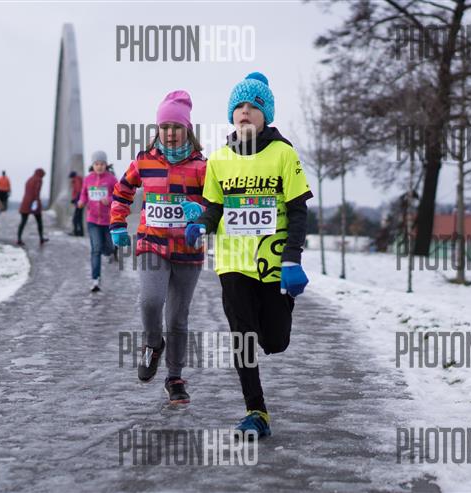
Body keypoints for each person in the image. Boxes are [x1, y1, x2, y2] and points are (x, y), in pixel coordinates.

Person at [184, 72, 312, 438]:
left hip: (272, 262)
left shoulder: (283, 154)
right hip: (232, 263)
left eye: (253, 106)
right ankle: (256, 411)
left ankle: (281, 309)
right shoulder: (219, 159)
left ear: (265, 115)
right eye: (239, 106)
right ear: (231, 115)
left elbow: (298, 211)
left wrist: (292, 259)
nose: (245, 111)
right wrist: (201, 226)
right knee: (241, 335)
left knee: (274, 341)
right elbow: (214, 207)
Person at [110, 90, 207, 405]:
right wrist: (117, 224)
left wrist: (200, 211)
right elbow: (122, 190)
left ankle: (174, 377)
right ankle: (153, 344)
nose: (170, 132)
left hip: (188, 250)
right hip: (152, 244)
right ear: (158, 129)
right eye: (165, 126)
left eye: (177, 127)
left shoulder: (202, 166)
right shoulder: (144, 161)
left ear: (187, 129)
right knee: (151, 301)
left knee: (177, 317)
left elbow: (215, 202)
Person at [77, 151, 118, 292]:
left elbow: (120, 194)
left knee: (109, 248)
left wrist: (110, 199)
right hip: (92, 220)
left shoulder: (111, 179)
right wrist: (81, 201)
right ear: (93, 165)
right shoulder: (88, 179)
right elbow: (84, 193)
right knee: (95, 249)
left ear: (106, 165)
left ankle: (110, 253)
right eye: (96, 164)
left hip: (108, 220)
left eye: (102, 164)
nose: (99, 166)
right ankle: (95, 279)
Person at [17, 168, 49, 246]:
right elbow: (36, 192)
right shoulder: (39, 180)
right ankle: (41, 238)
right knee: (39, 221)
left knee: (23, 222)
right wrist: (38, 203)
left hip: (25, 202)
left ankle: (19, 239)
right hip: (33, 203)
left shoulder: (30, 179)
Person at [69, 170, 84, 236]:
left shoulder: (76, 180)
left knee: (75, 218)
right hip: (80, 200)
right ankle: (80, 232)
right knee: (79, 217)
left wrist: (75, 199)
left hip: (78, 200)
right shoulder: (78, 179)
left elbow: (78, 190)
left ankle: (76, 232)